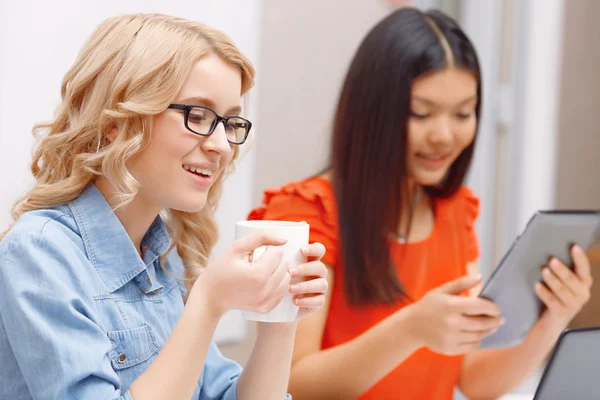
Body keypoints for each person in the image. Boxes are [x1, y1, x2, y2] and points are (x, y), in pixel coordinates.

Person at [249, 7, 593, 400]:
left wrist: (553, 320)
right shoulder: (306, 214)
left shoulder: (455, 211)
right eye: (421, 113)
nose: (444, 135)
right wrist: (409, 329)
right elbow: (288, 384)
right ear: (371, 112)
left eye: (464, 112)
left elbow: (472, 380)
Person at [0, 13, 328, 400]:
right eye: (198, 115)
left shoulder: (166, 259)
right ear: (116, 121)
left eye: (231, 123)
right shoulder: (40, 254)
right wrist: (207, 303)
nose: (222, 146)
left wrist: (279, 315)